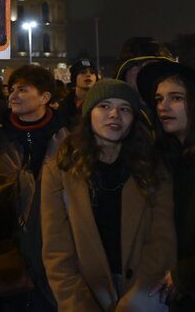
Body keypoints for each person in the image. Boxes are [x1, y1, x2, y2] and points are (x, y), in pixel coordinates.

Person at [41, 79, 175, 311]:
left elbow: (162, 239)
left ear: (133, 119)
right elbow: (57, 250)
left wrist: (135, 301)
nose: (114, 114)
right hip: (87, 291)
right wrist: (78, 304)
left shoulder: (152, 168)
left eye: (124, 109)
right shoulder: (61, 170)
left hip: (143, 293)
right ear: (88, 113)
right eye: (104, 106)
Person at [0, 64, 66, 311]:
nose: (13, 95)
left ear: (45, 97)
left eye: (23, 90)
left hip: (53, 248)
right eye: (12, 89)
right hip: (9, 251)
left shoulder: (66, 139)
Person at [138, 60, 195, 310]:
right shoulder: (167, 159)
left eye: (176, 98)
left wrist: (187, 272)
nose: (163, 107)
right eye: (159, 99)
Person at [57, 58, 97, 129]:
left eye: (92, 72)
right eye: (83, 72)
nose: (88, 75)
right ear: (74, 77)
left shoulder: (102, 102)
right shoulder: (65, 107)